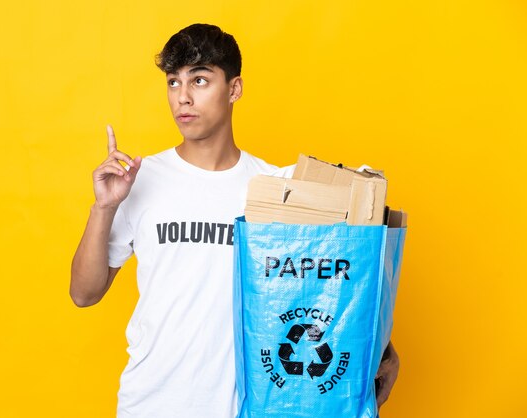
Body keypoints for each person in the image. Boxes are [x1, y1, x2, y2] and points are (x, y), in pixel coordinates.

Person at [70, 23, 399, 418]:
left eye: (200, 80)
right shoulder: (140, 180)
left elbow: (350, 254)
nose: (183, 98)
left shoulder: (275, 189)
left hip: (243, 407)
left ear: (234, 89)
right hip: (151, 403)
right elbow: (83, 294)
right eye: (173, 83)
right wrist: (103, 207)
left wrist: (382, 348)